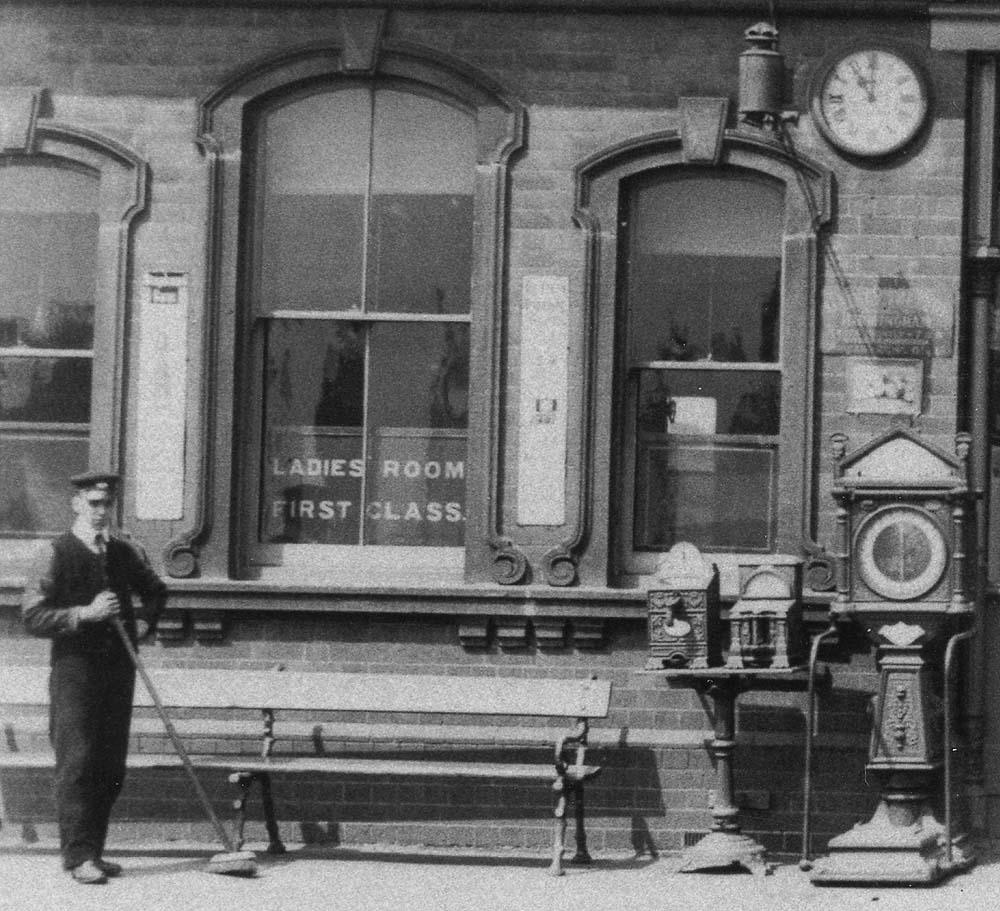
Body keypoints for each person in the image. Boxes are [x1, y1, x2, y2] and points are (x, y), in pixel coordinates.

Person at [21, 471, 166, 884]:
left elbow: (156, 591)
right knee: (78, 761)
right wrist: (85, 614)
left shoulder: (123, 552)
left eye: (107, 503)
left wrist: (143, 623)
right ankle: (78, 856)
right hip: (75, 670)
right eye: (93, 503)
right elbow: (32, 616)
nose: (101, 511)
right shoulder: (55, 552)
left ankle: (95, 853)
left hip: (119, 669)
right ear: (77, 504)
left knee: (110, 763)